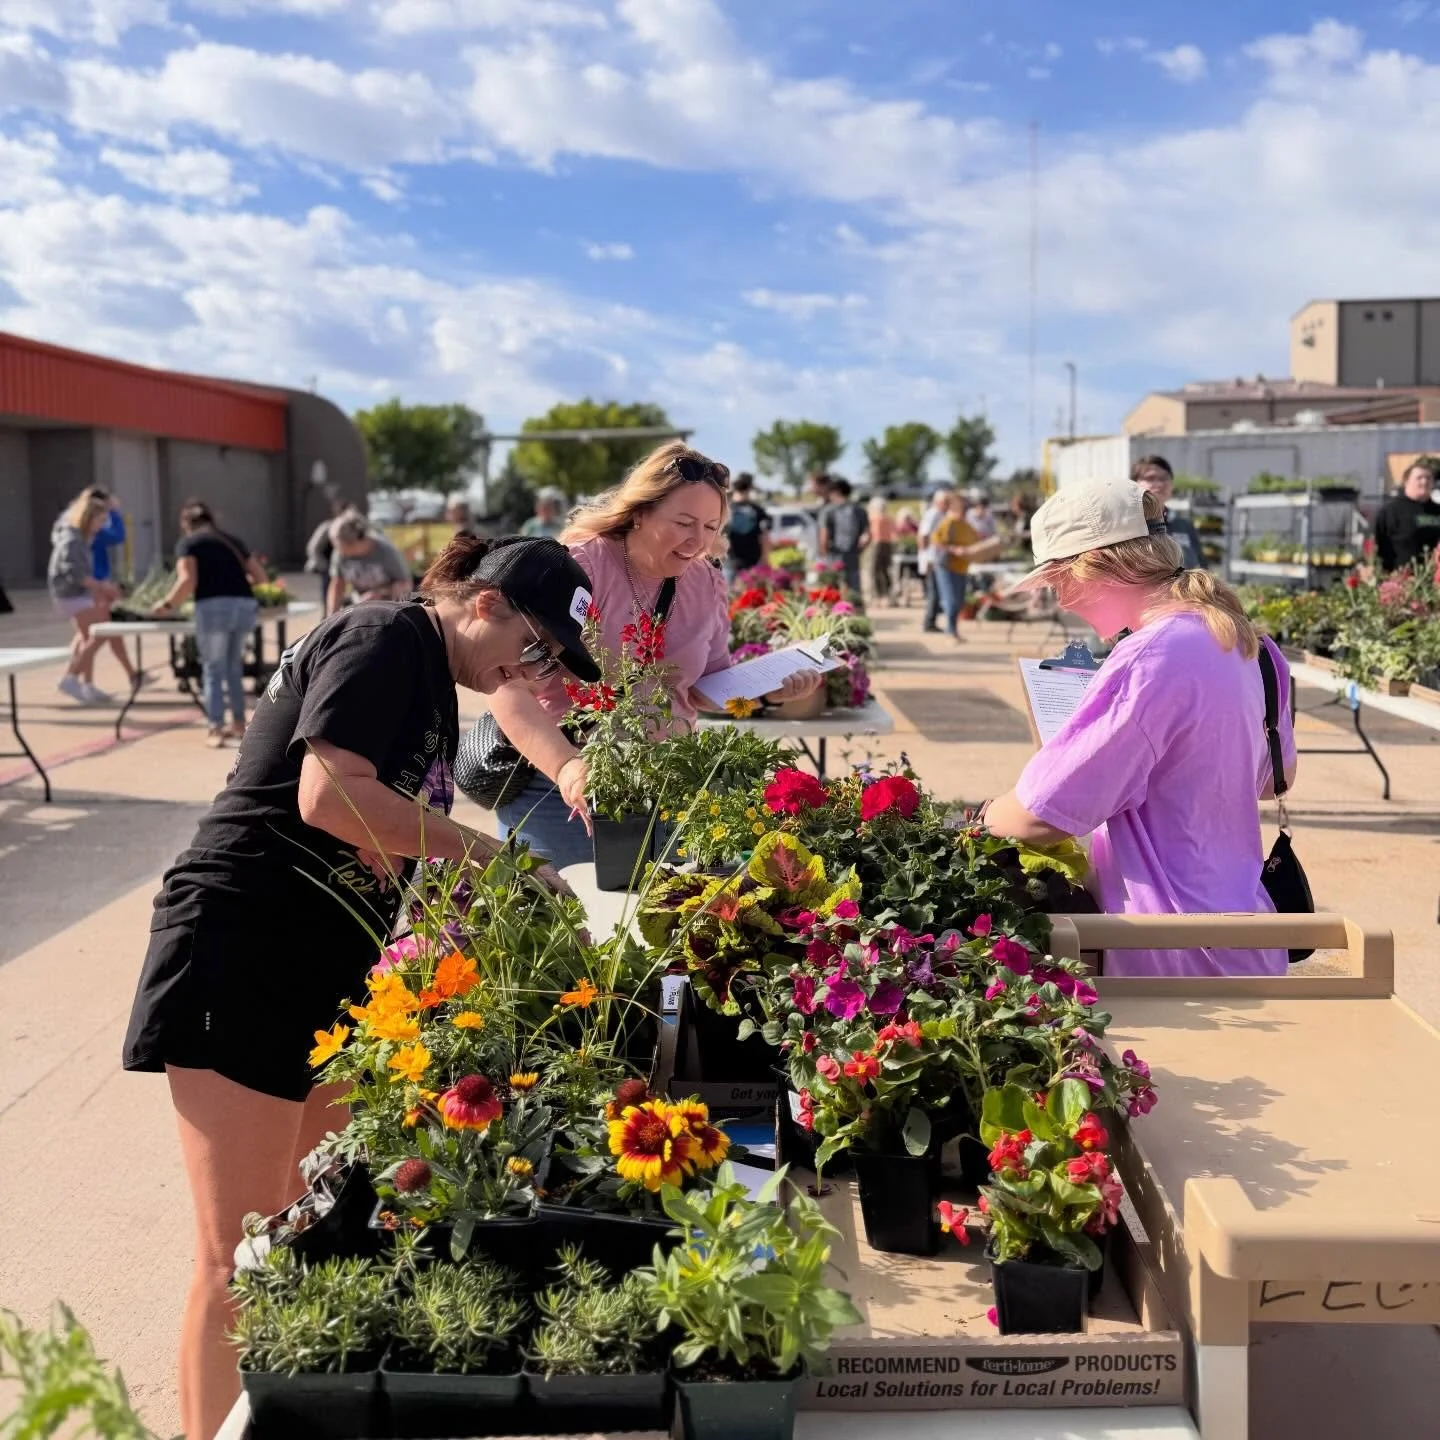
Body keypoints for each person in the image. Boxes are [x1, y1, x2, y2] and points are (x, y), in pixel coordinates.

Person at [122, 533, 595, 1440]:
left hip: (312, 965)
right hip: (240, 947)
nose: (534, 677)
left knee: (321, 1220)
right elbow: (329, 797)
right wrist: (500, 861)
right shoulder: (385, 637)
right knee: (242, 1253)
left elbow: (393, 829)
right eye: (535, 650)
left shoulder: (426, 671)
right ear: (485, 603)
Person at [983, 477, 1297, 978]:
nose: (1062, 600)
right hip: (1247, 939)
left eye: (1061, 578)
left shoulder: (1149, 656)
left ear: (1103, 566)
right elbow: (1270, 781)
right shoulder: (1247, 642)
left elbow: (1038, 818)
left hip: (1169, 952)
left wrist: (978, 818)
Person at [483, 442, 822, 867]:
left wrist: (772, 689)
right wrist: (567, 768)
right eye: (683, 522)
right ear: (639, 513)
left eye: (710, 527)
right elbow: (503, 683)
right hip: (559, 791)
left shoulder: (705, 583)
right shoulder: (579, 567)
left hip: (665, 789)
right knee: (562, 920)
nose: (697, 541)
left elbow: (702, 689)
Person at [152, 502, 269, 747]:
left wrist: (167, 604)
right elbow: (260, 576)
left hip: (213, 608)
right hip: (244, 606)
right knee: (233, 667)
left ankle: (215, 727)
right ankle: (239, 723)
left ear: (186, 524)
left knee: (214, 670)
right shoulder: (233, 540)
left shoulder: (189, 544)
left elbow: (187, 580)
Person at [47, 491, 137, 705]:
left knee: (89, 636)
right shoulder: (72, 539)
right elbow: (74, 573)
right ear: (89, 518)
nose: (102, 525)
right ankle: (70, 677)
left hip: (79, 592)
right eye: (100, 520)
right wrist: (102, 587)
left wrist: (101, 588)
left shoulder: (82, 537)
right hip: (70, 593)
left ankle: (86, 684)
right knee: (100, 633)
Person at [327, 509, 413, 613]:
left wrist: (380, 593)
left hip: (388, 608)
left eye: (341, 546)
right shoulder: (340, 553)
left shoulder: (386, 551)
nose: (339, 550)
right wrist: (331, 616)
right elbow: (337, 585)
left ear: (357, 540)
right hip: (359, 605)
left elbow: (405, 583)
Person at [1131, 456, 1206, 571]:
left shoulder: (1183, 525)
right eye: (1150, 478)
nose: (1159, 484)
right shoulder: (1127, 526)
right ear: (1133, 484)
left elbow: (1202, 567)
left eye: (1164, 478)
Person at [929, 491, 986, 640]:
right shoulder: (948, 523)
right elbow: (935, 541)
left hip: (961, 567)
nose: (965, 509)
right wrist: (953, 549)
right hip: (946, 566)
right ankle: (951, 631)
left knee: (959, 601)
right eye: (963, 506)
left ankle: (953, 630)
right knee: (951, 600)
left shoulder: (965, 525)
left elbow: (977, 539)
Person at [1373, 461, 1440, 573]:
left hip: (1434, 583)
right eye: (1419, 478)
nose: (1424, 481)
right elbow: (1378, 546)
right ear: (1406, 481)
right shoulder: (1390, 511)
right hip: (1403, 580)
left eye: (1428, 478)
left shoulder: (1437, 511)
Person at [819, 477, 870, 596]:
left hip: (833, 557)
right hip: (853, 557)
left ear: (835, 491)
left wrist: (823, 556)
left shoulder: (827, 511)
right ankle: (857, 611)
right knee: (854, 592)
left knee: (832, 593)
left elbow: (824, 536)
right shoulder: (859, 510)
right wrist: (859, 550)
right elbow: (867, 535)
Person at [917, 485, 953, 632]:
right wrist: (927, 559)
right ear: (938, 502)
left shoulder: (941, 514)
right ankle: (929, 622)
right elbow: (923, 536)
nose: (948, 505)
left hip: (937, 559)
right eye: (946, 502)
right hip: (932, 560)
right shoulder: (933, 514)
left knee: (936, 591)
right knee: (934, 592)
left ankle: (931, 621)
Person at [724, 472, 771, 579]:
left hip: (730, 563)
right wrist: (765, 560)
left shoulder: (725, 510)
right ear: (750, 488)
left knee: (730, 595)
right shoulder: (758, 511)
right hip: (753, 564)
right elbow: (765, 537)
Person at [305, 500, 344, 612]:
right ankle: (328, 615)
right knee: (329, 592)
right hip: (328, 566)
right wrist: (324, 566)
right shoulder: (328, 527)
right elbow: (313, 548)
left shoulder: (354, 529)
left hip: (345, 567)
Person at [867, 491, 897, 601]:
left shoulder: (874, 517)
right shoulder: (888, 518)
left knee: (874, 570)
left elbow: (870, 533)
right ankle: (888, 593)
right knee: (885, 570)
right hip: (887, 544)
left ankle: (877, 594)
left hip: (877, 543)